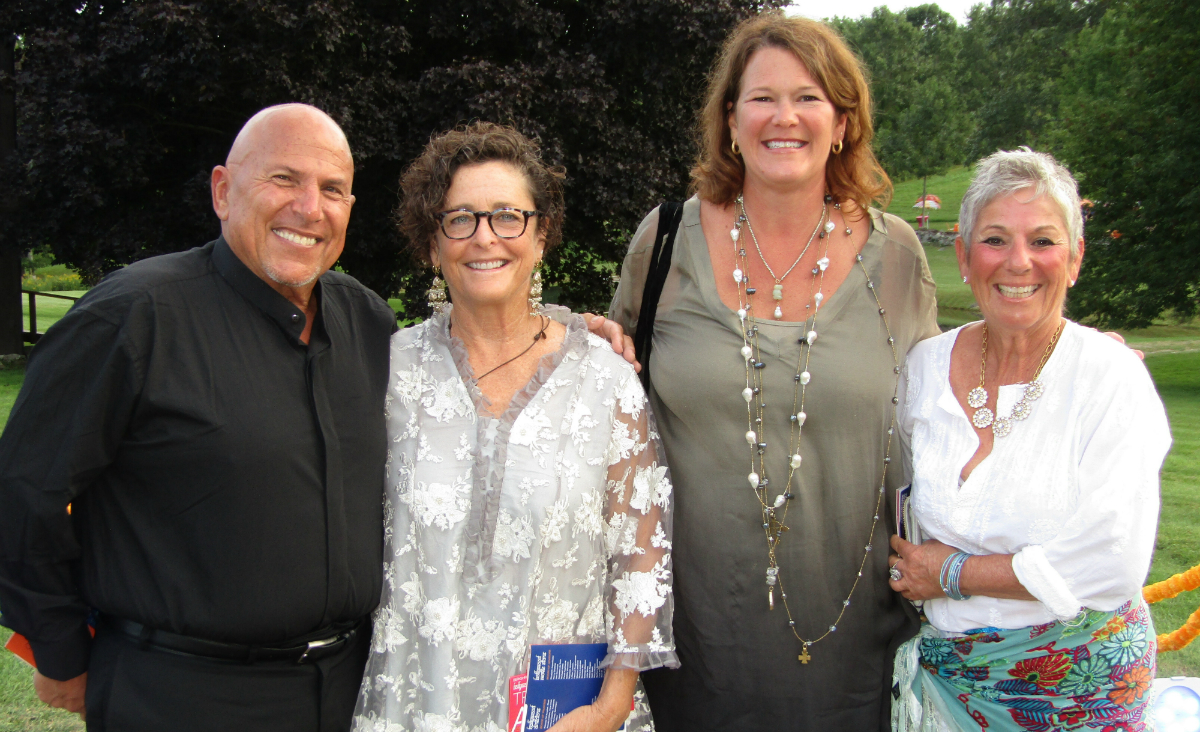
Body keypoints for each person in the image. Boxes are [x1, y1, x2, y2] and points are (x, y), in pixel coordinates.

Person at [0, 104, 397, 731]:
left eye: (332, 189)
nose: (309, 208)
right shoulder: (132, 317)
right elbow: (24, 492)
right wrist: (60, 647)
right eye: (284, 179)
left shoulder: (368, 322)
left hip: (351, 693)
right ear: (223, 191)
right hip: (181, 697)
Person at [602, 12, 939, 731]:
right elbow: (607, 392)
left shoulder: (898, 256)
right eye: (762, 97)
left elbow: (949, 402)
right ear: (730, 120)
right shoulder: (663, 242)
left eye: (809, 97)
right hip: (691, 644)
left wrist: (1062, 358)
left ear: (842, 122)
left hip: (854, 643)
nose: (784, 117)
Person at [352, 122, 677, 732]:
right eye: (459, 219)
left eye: (508, 216)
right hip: (418, 705)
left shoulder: (604, 379)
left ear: (541, 234)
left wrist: (609, 708)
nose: (485, 237)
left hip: (569, 718)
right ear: (431, 244)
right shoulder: (387, 373)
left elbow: (640, 557)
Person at [887, 148, 1171, 731]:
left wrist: (952, 573)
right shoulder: (922, 369)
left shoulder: (1109, 378)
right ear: (964, 257)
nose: (1019, 262)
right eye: (995, 240)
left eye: (1043, 241)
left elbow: (1111, 562)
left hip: (1082, 692)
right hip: (950, 685)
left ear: (1075, 258)